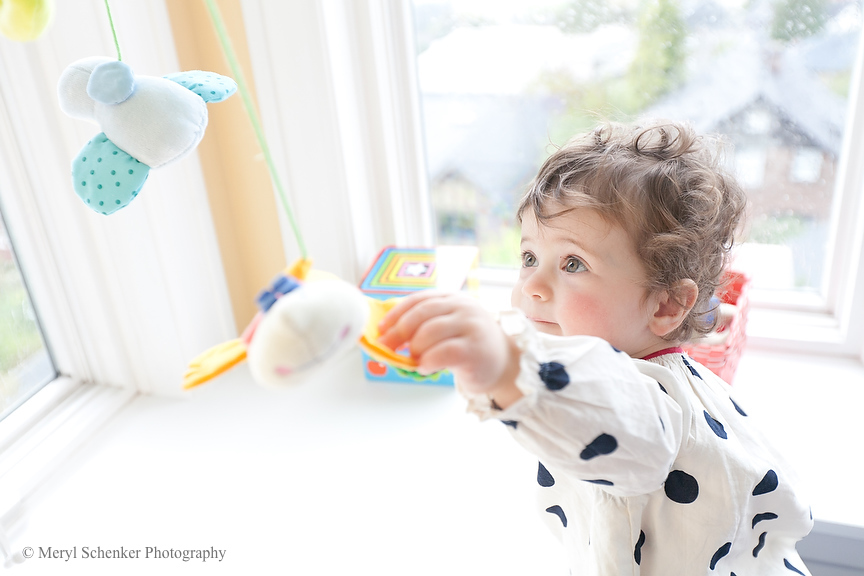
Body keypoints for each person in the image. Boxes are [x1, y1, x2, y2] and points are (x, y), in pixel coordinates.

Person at [378, 121, 814, 575]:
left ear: (665, 304)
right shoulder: (629, 370)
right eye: (529, 257)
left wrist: (506, 365)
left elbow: (613, 415)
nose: (534, 286)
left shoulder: (652, 403)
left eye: (573, 263)